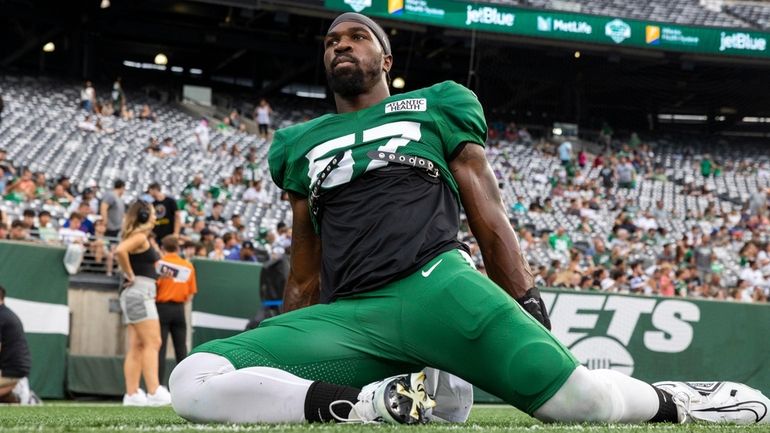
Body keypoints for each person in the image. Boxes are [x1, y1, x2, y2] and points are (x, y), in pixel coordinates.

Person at [169, 12, 770, 426]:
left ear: (386, 56)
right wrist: (290, 345)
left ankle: (680, 401)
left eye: (356, 37)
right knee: (194, 379)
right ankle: (370, 406)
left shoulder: (438, 104)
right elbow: (305, 265)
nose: (340, 45)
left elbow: (489, 217)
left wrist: (529, 309)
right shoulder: (298, 142)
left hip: (437, 287)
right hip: (350, 315)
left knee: (577, 402)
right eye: (331, 41)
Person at [114, 200, 171, 406]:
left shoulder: (139, 237)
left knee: (138, 345)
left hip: (137, 292)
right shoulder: (139, 236)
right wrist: (129, 273)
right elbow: (119, 251)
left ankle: (132, 394)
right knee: (153, 342)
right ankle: (154, 391)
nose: (156, 217)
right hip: (139, 292)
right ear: (145, 216)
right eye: (153, 214)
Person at [155, 235, 197, 386]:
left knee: (160, 349)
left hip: (161, 308)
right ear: (178, 249)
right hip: (179, 309)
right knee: (181, 349)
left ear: (163, 248)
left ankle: (157, 387)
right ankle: (185, 386)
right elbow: (191, 293)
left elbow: (154, 287)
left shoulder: (159, 264)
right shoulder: (188, 265)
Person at [0, 285, 37, 404]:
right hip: (13, 369)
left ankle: (22, 396)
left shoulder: (2, 316)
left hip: (12, 371)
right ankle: (18, 397)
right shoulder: (5, 314)